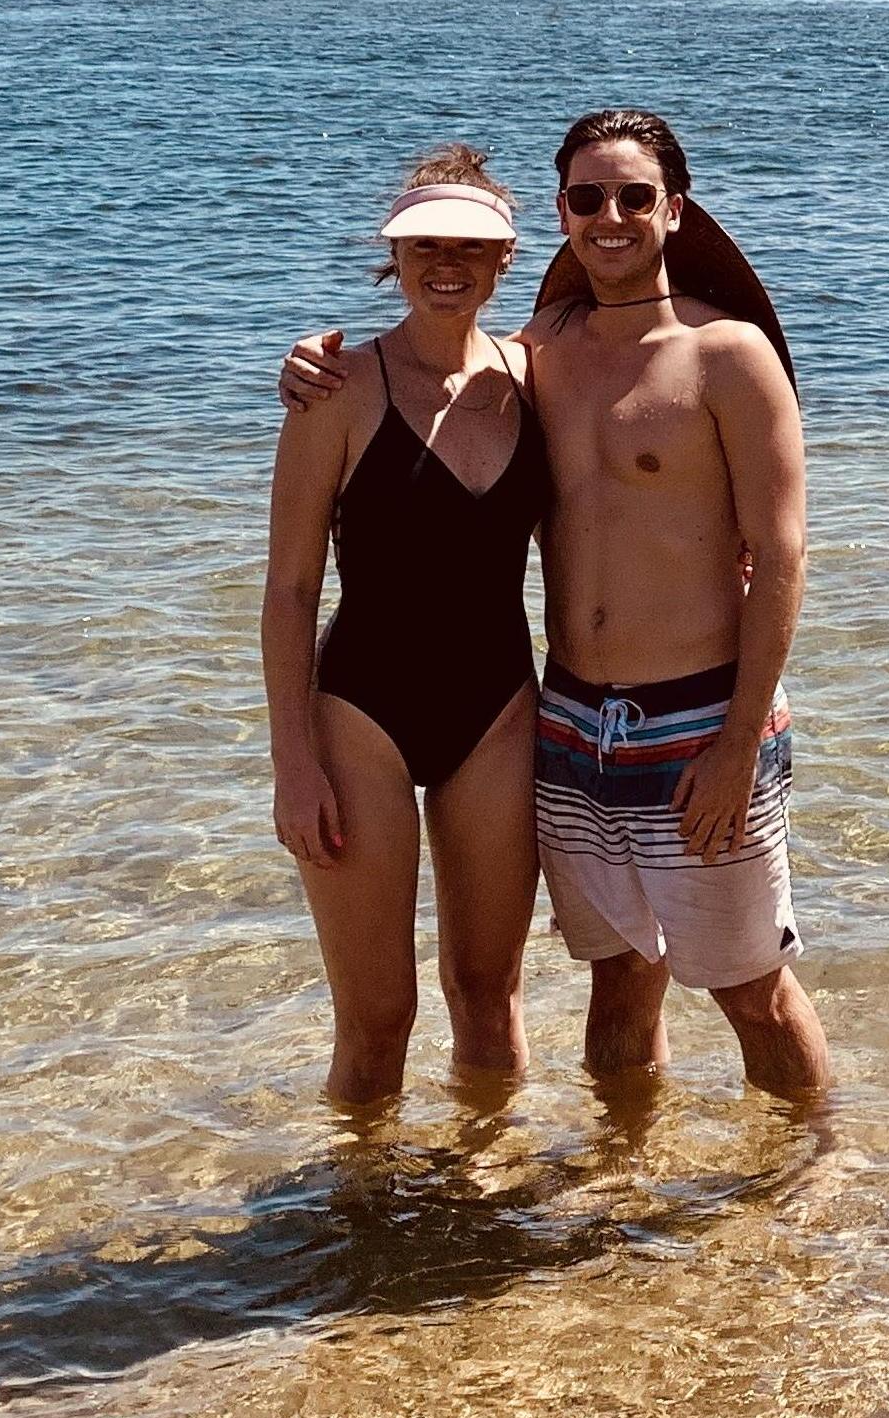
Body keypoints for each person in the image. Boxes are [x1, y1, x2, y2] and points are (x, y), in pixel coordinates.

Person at [283, 108, 829, 1099]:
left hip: (678, 717)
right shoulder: (538, 353)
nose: (609, 216)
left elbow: (783, 554)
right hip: (570, 724)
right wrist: (305, 362)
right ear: (562, 215)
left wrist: (739, 740)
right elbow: (299, 576)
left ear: (673, 210)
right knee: (608, 981)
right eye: (587, 198)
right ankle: (606, 1175)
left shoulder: (714, 354)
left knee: (743, 986)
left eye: (632, 197)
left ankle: (817, 1165)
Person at [260, 146, 549, 1107]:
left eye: (468, 245)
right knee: (378, 1021)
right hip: (361, 714)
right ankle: (360, 1194)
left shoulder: (537, 375)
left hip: (498, 711)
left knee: (491, 1000)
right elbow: (290, 590)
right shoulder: (336, 390)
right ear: (395, 257)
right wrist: (293, 764)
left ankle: (486, 1185)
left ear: (506, 258)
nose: (445, 263)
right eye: (423, 244)